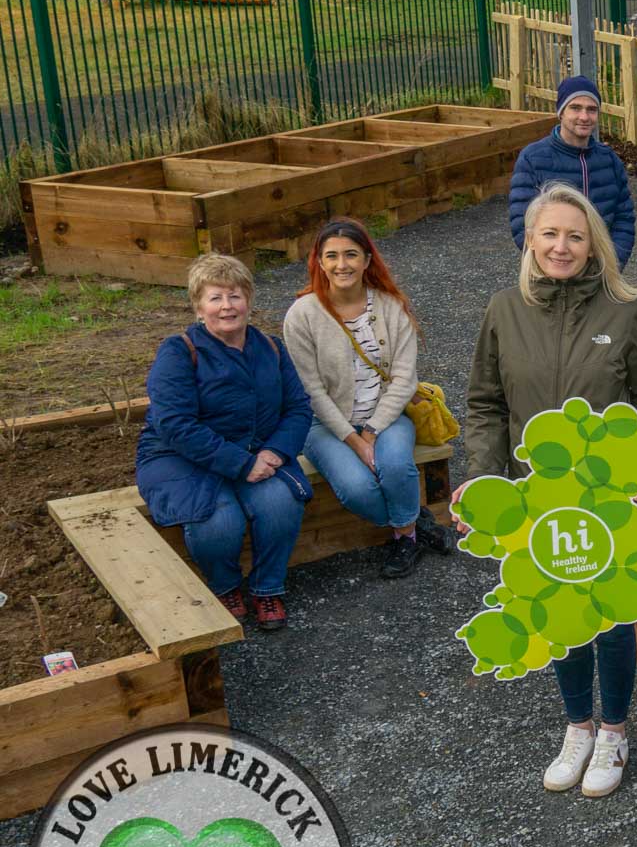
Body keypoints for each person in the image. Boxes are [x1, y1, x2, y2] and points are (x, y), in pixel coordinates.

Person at [463, 181, 637, 798]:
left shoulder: (623, 310)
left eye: (574, 236)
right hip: (537, 501)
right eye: (550, 233)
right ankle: (577, 725)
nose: (561, 246)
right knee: (559, 615)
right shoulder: (504, 309)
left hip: (611, 502)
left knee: (607, 616)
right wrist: (483, 481)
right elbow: (485, 403)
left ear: (592, 246)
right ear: (530, 240)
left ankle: (613, 730)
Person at [136, 253, 313, 632]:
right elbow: (175, 425)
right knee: (218, 521)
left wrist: (275, 451)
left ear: (248, 299)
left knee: (281, 502)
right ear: (199, 307)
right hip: (181, 458)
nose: (226, 307)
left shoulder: (271, 347)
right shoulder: (179, 352)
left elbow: (298, 407)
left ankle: (267, 588)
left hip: (258, 452)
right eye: (215, 297)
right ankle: (226, 587)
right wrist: (241, 463)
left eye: (234, 295)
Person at [282, 217, 454, 580]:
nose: (341, 264)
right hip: (326, 425)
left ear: (367, 260)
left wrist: (372, 432)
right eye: (332, 256)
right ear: (319, 262)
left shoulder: (391, 307)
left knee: (396, 467)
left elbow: (405, 378)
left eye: (351, 255)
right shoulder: (302, 315)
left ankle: (404, 539)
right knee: (355, 488)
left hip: (385, 417)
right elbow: (310, 389)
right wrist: (353, 440)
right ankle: (414, 524)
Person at [507, 76, 636, 266]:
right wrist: (553, 265)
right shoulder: (533, 159)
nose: (584, 117)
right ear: (561, 112)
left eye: (591, 110)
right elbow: (522, 223)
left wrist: (611, 265)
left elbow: (624, 219)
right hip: (553, 270)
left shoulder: (609, 160)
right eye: (575, 108)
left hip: (601, 272)